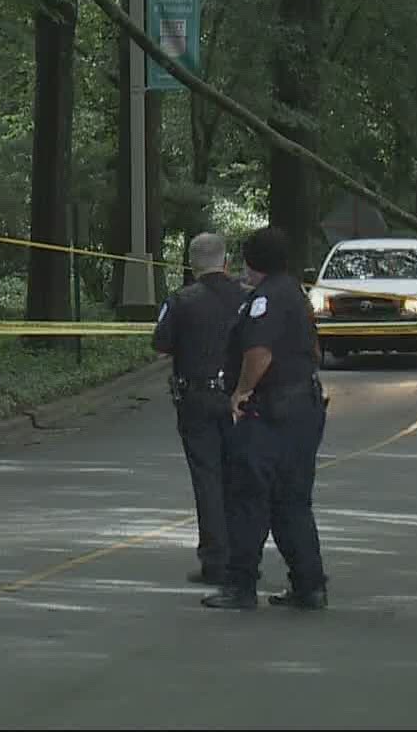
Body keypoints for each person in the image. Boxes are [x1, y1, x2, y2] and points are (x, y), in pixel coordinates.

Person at [203, 226, 329, 612]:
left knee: (248, 500)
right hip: (302, 408)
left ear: (253, 262)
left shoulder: (266, 299)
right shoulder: (294, 293)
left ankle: (240, 586)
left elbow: (259, 352)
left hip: (272, 414)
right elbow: (315, 350)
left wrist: (241, 393)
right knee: (292, 502)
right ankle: (309, 585)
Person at [153, 232, 250, 586]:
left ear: (191, 265)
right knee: (240, 478)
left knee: (207, 478)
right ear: (226, 262)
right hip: (240, 397)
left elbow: (161, 347)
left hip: (196, 398)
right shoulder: (248, 297)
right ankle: (244, 557)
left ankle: (216, 560)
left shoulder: (181, 301)